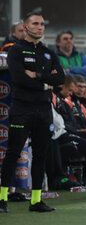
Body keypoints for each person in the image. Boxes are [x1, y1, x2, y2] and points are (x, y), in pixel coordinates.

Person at [0, 12, 65, 213]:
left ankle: (36, 201)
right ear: (26, 27)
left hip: (44, 111)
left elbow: (60, 78)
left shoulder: (49, 53)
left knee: (40, 156)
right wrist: (46, 83)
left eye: (42, 24)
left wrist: (37, 76)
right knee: (12, 154)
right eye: (35, 24)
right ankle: (2, 198)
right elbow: (20, 80)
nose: (40, 27)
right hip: (22, 110)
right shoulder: (16, 51)